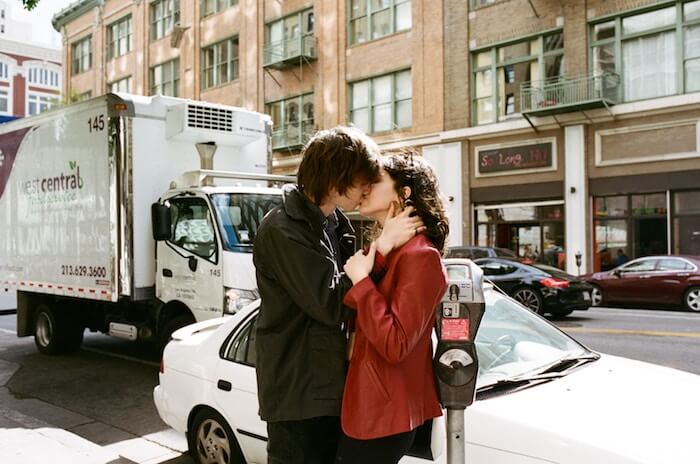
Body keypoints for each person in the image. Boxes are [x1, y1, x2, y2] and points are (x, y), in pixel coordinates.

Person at [253, 127, 424, 464]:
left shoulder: (333, 222)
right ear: (336, 178)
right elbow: (332, 303)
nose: (366, 189)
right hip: (299, 393)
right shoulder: (283, 229)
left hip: (331, 386)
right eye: (364, 180)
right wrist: (384, 245)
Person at [336, 152, 449, 464]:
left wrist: (360, 279)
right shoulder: (393, 250)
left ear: (404, 192)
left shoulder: (421, 255)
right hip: (367, 404)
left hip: (384, 412)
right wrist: (378, 252)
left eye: (374, 181)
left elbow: (396, 343)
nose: (364, 188)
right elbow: (348, 305)